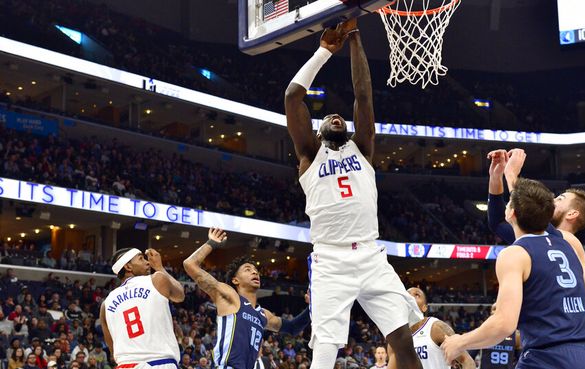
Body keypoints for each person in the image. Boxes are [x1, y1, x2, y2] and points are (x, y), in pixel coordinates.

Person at [284, 18, 423, 369]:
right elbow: (292, 97)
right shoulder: (309, 156)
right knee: (325, 353)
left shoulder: (362, 147)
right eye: (327, 117)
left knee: (404, 342)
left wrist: (356, 37)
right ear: (316, 134)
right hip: (330, 261)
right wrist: (323, 52)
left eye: (339, 116)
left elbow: (363, 94)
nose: (335, 116)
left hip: (372, 256)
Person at [442, 178, 585, 369]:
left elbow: (504, 325)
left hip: (548, 357)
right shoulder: (569, 245)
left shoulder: (514, 253)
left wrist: (459, 342)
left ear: (510, 212)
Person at [486, 149, 585, 315]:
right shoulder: (538, 238)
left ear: (572, 214)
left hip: (568, 337)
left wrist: (511, 175)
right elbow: (498, 223)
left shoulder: (568, 241)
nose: (551, 201)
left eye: (559, 199)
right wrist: (496, 177)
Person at [182, 228, 310, 369]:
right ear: (235, 280)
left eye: (255, 270)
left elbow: (292, 328)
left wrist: (312, 306)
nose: (254, 271)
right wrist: (211, 243)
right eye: (248, 269)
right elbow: (190, 264)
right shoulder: (230, 296)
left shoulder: (264, 315)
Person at [99, 248, 185, 369]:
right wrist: (160, 267)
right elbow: (180, 295)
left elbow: (113, 349)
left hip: (125, 365)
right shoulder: (156, 279)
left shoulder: (106, 304)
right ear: (128, 266)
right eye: (141, 259)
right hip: (158, 362)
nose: (148, 262)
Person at [387, 288, 475, 369]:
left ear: (424, 307)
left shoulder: (436, 327)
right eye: (407, 295)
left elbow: (467, 361)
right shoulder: (395, 339)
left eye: (417, 295)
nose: (411, 297)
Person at [479, 305, 520, 369]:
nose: (496, 311)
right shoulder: (483, 332)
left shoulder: (516, 335)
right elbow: (470, 355)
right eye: (494, 309)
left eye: (499, 308)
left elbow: (520, 358)